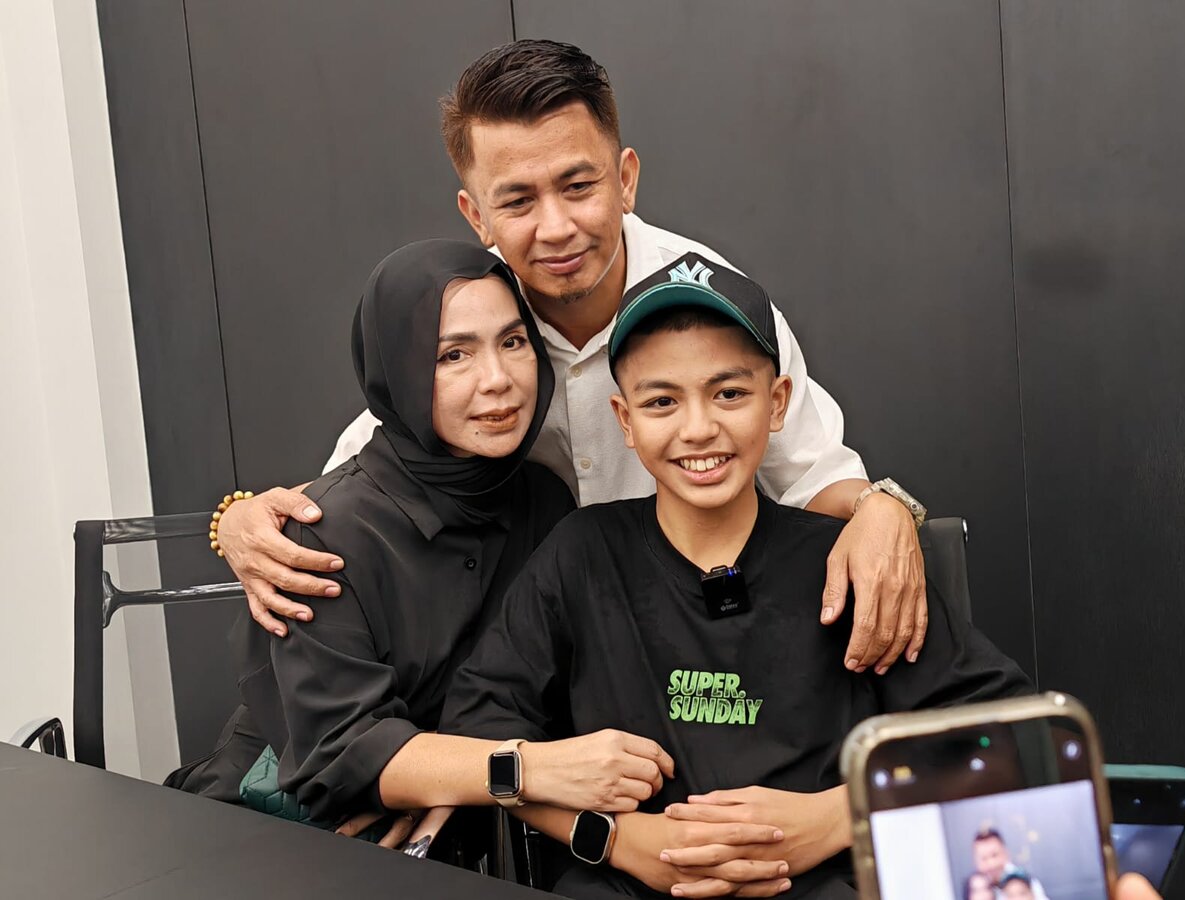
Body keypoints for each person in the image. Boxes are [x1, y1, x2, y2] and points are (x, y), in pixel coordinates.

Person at [213, 39, 929, 677]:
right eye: (517, 201)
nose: (555, 228)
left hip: (694, 635)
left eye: (578, 186)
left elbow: (813, 478)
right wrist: (241, 521)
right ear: (476, 216)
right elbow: (366, 473)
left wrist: (883, 508)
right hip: (528, 657)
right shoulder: (474, 314)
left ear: (626, 179)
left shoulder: (712, 303)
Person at [438, 255, 1034, 899]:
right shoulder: (581, 554)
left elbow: (1014, 738)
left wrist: (841, 815)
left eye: (729, 394)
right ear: (625, 420)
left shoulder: (846, 563)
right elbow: (479, 734)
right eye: (662, 401)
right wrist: (614, 838)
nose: (699, 429)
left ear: (777, 403)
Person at [174, 240, 677, 846]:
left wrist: (460, 784)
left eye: (513, 342)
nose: (498, 381)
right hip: (277, 825)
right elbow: (343, 754)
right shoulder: (324, 531)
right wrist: (520, 772)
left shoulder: (544, 500)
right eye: (453, 355)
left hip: (454, 834)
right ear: (400, 370)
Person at [973, 831, 1049, 900]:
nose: (991, 864)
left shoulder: (1024, 881)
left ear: (1006, 854)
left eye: (994, 855)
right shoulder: (977, 889)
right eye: (984, 858)